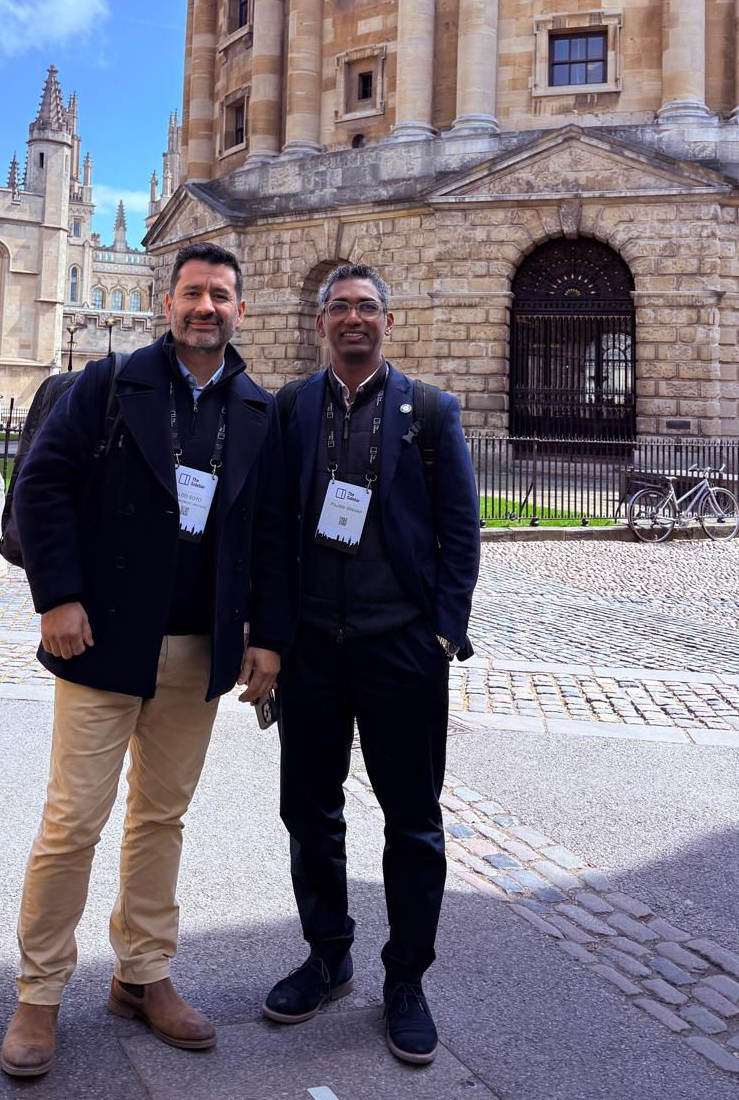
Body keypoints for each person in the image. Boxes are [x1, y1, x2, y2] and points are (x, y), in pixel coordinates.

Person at [0, 241, 292, 1080]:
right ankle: (40, 992)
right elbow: (43, 485)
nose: (207, 308)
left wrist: (266, 635)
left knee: (161, 819)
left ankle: (142, 974)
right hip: (100, 640)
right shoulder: (110, 382)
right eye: (194, 293)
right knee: (72, 824)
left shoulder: (255, 409)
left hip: (199, 648)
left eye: (222, 296)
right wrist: (57, 596)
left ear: (241, 310)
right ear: (168, 303)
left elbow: (268, 532)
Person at [264, 262, 480, 1066]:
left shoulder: (429, 411)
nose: (354, 320)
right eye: (340, 308)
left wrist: (440, 636)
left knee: (414, 824)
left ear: (389, 322)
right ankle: (328, 954)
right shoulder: (292, 409)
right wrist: (273, 633)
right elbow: (269, 527)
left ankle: (406, 979)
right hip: (314, 648)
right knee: (309, 811)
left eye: (367, 308)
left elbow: (461, 532)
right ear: (321, 323)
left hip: (402, 649)